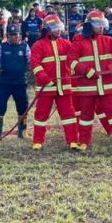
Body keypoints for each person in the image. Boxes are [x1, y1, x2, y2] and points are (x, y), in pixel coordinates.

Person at [67, 10, 112, 151]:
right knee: (86, 116)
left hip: (106, 87)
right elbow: (71, 62)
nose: (101, 27)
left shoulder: (107, 40)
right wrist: (86, 71)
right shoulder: (79, 43)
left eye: (102, 24)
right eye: (98, 25)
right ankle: (84, 141)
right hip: (87, 88)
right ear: (89, 26)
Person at [29, 14, 79, 151]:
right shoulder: (38, 46)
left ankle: (73, 140)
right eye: (55, 28)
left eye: (59, 28)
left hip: (64, 87)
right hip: (46, 88)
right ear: (47, 29)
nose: (58, 30)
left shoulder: (66, 44)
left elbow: (75, 57)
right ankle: (38, 141)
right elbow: (36, 65)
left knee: (69, 115)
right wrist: (46, 79)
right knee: (41, 115)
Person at [0, 24, 30, 142]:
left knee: (23, 106)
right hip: (5, 82)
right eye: (11, 35)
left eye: (15, 35)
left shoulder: (25, 47)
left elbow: (30, 60)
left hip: (20, 82)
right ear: (7, 35)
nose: (13, 37)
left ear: (19, 35)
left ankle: (23, 131)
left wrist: (27, 69)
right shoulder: (2, 47)